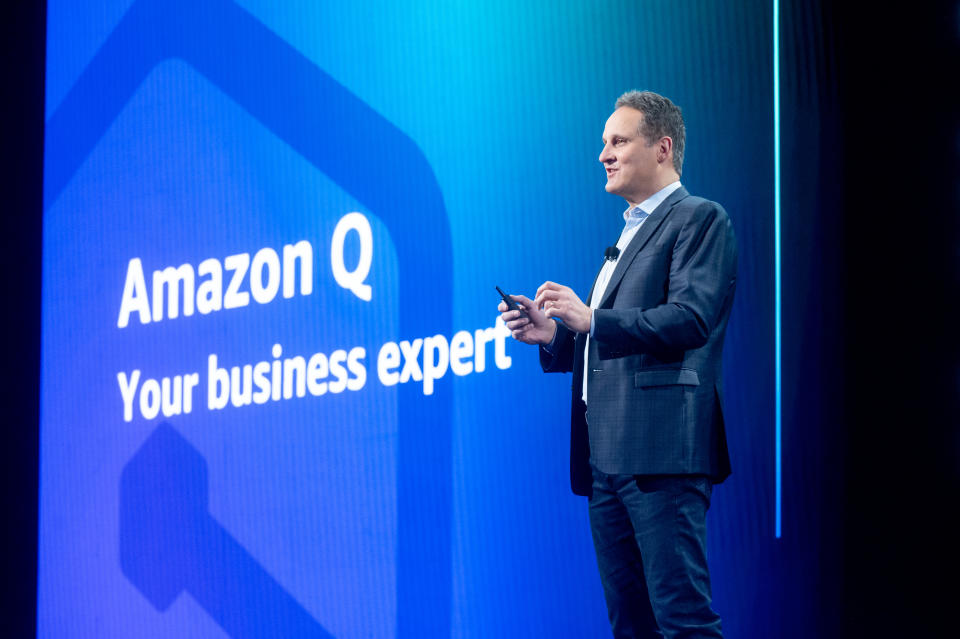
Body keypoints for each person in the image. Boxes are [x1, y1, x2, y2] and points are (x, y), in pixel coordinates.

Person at [499, 90, 737, 638]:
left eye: (618, 141)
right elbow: (606, 343)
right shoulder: (627, 235)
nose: (603, 153)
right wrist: (555, 336)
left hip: (660, 456)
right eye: (603, 143)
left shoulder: (698, 218)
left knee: (683, 621)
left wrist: (592, 321)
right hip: (607, 460)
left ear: (663, 148)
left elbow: (690, 319)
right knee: (631, 625)